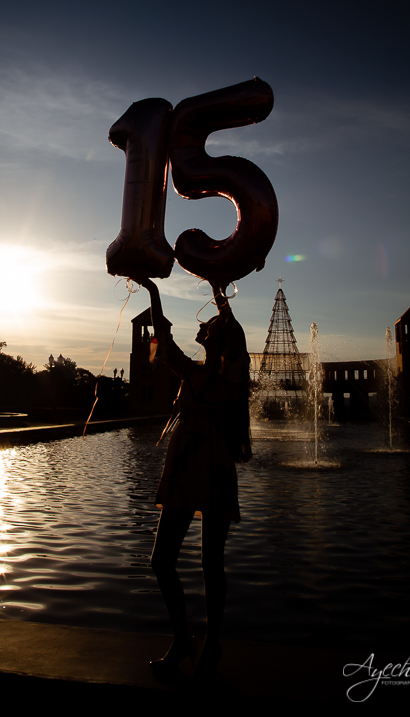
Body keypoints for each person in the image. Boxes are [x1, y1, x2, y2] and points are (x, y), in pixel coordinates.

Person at [139, 278, 252, 683]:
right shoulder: (191, 371)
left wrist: (220, 290)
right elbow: (163, 340)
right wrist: (151, 290)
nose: (202, 324)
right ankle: (183, 638)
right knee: (161, 559)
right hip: (186, 469)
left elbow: (234, 330)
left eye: (211, 324)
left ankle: (213, 643)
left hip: (215, 470)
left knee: (211, 563)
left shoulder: (233, 374)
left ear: (221, 336)